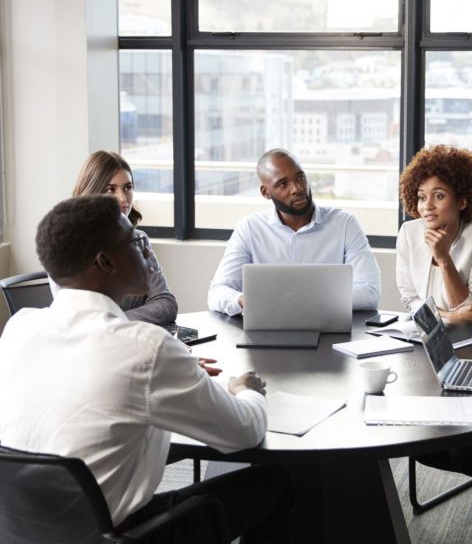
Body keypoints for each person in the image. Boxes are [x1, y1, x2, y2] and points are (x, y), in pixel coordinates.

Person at [0, 195, 295, 542]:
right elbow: (244, 432)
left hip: (22, 531)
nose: (145, 251)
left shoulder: (20, 327)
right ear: (105, 262)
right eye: (135, 241)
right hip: (123, 535)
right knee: (276, 482)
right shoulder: (146, 347)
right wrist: (245, 390)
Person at [397, 144, 472, 525]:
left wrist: (445, 258)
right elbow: (412, 302)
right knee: (420, 441)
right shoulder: (408, 233)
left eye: (439, 195)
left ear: (463, 199)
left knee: (465, 450)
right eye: (421, 196)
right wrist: (451, 313)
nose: (427, 206)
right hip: (430, 348)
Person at [208, 149, 381, 315]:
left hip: (330, 331)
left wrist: (295, 300)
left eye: (300, 177)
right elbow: (217, 293)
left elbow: (370, 292)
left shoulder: (344, 224)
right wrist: (244, 300)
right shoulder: (250, 229)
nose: (297, 188)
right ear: (265, 192)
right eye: (283, 184)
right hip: (268, 331)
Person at [49, 150, 178, 326]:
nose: (123, 198)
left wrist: (116, 324)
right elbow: (80, 320)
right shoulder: (65, 247)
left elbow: (166, 303)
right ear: (91, 192)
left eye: (128, 187)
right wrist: (125, 323)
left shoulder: (139, 240)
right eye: (111, 189)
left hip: (134, 341)